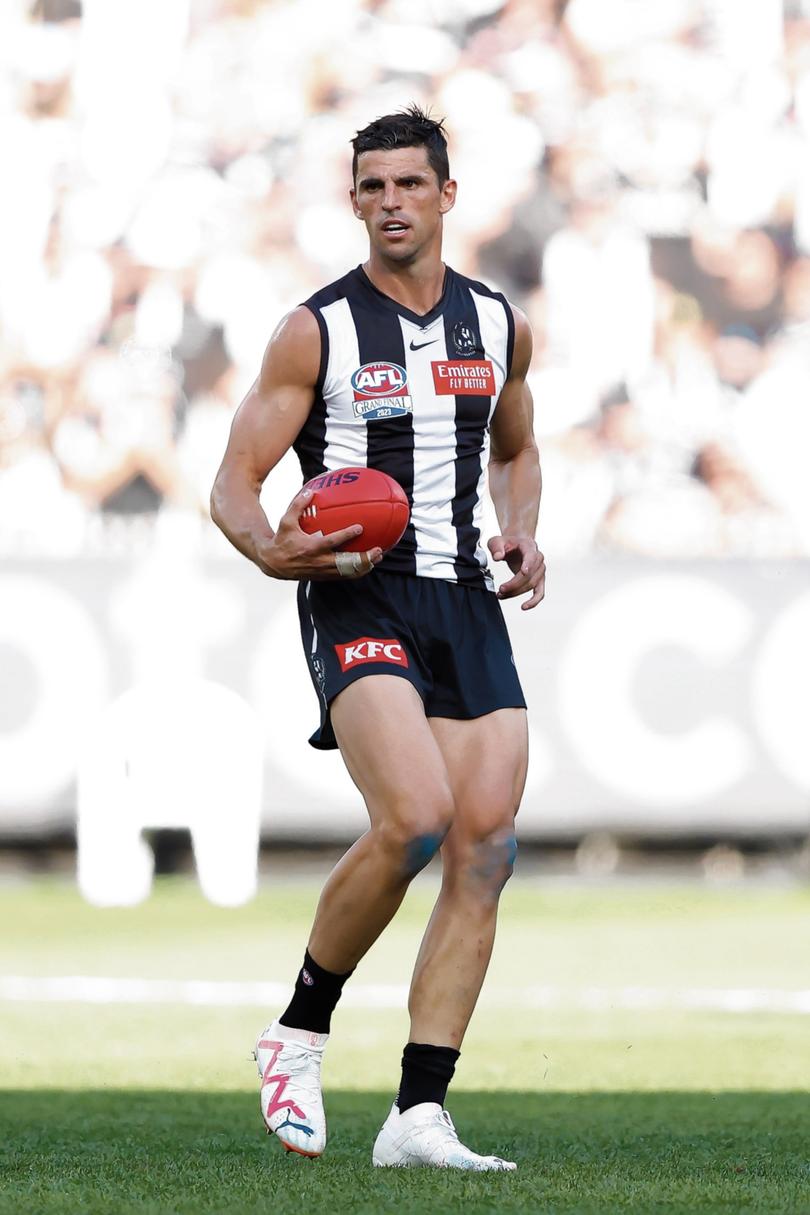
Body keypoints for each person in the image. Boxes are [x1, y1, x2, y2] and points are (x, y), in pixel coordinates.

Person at [210, 105, 544, 1172]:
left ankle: (418, 1114)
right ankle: (297, 1033)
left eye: (410, 184)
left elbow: (519, 447)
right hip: (358, 592)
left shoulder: (498, 323)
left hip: (464, 597)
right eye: (372, 187)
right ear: (352, 200)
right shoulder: (313, 328)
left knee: (484, 847)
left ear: (449, 194)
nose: (391, 202)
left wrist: (523, 532)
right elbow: (233, 484)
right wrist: (271, 552)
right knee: (415, 818)